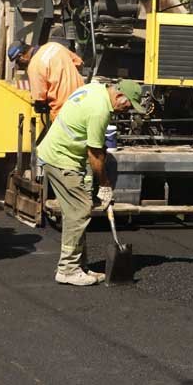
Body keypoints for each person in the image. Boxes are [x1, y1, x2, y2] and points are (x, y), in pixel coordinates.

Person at [37, 79, 145, 286]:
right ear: (120, 96)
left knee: (78, 209)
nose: (127, 110)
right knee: (79, 211)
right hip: (62, 160)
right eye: (128, 104)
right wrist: (104, 185)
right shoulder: (100, 111)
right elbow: (95, 154)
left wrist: (88, 177)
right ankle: (68, 269)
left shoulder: (94, 89)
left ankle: (80, 266)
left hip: (62, 155)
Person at [7, 40, 84, 120]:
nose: (19, 65)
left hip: (64, 111)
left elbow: (40, 99)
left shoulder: (34, 66)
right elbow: (79, 63)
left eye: (17, 62)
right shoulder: (54, 46)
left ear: (21, 57)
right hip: (83, 99)